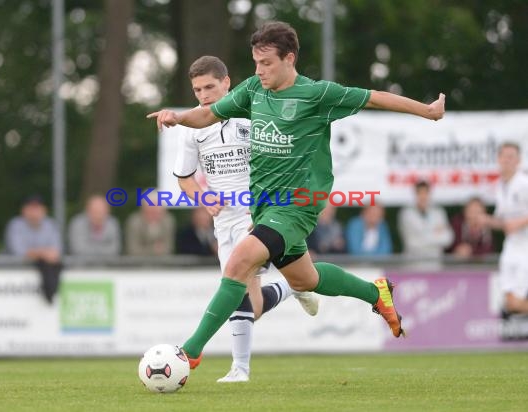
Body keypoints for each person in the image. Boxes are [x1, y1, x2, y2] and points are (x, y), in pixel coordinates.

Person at [148, 21, 445, 369]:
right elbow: (209, 113)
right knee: (307, 279)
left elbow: (373, 97)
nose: (259, 71)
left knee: (239, 263)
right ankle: (375, 293)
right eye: (256, 63)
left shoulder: (317, 94)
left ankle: (189, 352)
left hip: (296, 207)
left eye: (267, 63)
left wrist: (425, 110)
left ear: (289, 59)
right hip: (264, 208)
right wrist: (178, 117)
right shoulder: (252, 91)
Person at [172, 55, 319, 382]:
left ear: (227, 83)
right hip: (224, 223)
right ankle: (291, 288)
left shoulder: (256, 113)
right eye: (197, 89)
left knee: (236, 291)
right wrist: (203, 196)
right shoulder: (192, 127)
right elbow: (184, 178)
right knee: (251, 304)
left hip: (260, 215)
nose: (204, 95)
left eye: (210, 87)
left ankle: (239, 369)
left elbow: (284, 162)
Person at [479, 142, 528, 315]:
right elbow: (504, 223)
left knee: (516, 303)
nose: (507, 160)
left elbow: (515, 223)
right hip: (511, 247)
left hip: (525, 248)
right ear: (498, 159)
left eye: (511, 157)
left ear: (518, 160)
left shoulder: (524, 183)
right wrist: (486, 220)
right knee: (509, 303)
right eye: (504, 156)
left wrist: (520, 222)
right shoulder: (500, 186)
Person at [5, 195, 62, 304]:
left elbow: (56, 251)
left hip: (45, 267)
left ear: (44, 210)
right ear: (23, 210)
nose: (34, 212)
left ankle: (51, 293)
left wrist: (37, 253)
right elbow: (19, 251)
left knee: (55, 265)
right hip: (15, 274)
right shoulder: (15, 225)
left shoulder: (51, 225)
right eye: (31, 208)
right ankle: (49, 294)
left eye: (37, 208)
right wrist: (43, 253)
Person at [398, 180, 453, 264]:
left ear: (429, 194)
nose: (423, 196)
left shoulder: (439, 213)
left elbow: (447, 238)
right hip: (413, 264)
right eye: (420, 193)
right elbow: (412, 242)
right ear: (415, 194)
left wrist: (422, 235)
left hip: (435, 264)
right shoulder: (406, 214)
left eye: (425, 193)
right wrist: (435, 234)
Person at [125, 191, 175, 256]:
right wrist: (153, 250)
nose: (154, 215)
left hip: (163, 263)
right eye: (151, 211)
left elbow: (168, 248)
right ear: (143, 210)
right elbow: (132, 250)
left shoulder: (168, 221)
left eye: (157, 211)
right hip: (137, 263)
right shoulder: (134, 222)